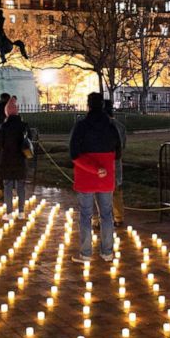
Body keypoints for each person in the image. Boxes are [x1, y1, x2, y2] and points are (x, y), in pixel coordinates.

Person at [69, 92, 122, 263]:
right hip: (106, 176)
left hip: (86, 176)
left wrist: (93, 167)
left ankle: (85, 253)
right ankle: (107, 251)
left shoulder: (81, 126)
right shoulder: (111, 126)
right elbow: (118, 151)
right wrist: (103, 165)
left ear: (88, 105)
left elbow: (74, 153)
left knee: (85, 215)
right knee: (106, 214)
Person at [0, 97, 29, 221]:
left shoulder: (4, 126)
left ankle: (9, 213)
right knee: (21, 186)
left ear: (7, 112)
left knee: (8, 186)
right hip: (20, 160)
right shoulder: (24, 126)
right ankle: (21, 212)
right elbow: (29, 142)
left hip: (7, 160)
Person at [105, 100, 127, 227]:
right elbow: (123, 145)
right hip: (116, 162)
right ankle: (118, 217)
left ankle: (99, 218)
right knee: (116, 189)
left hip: (104, 162)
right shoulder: (120, 126)